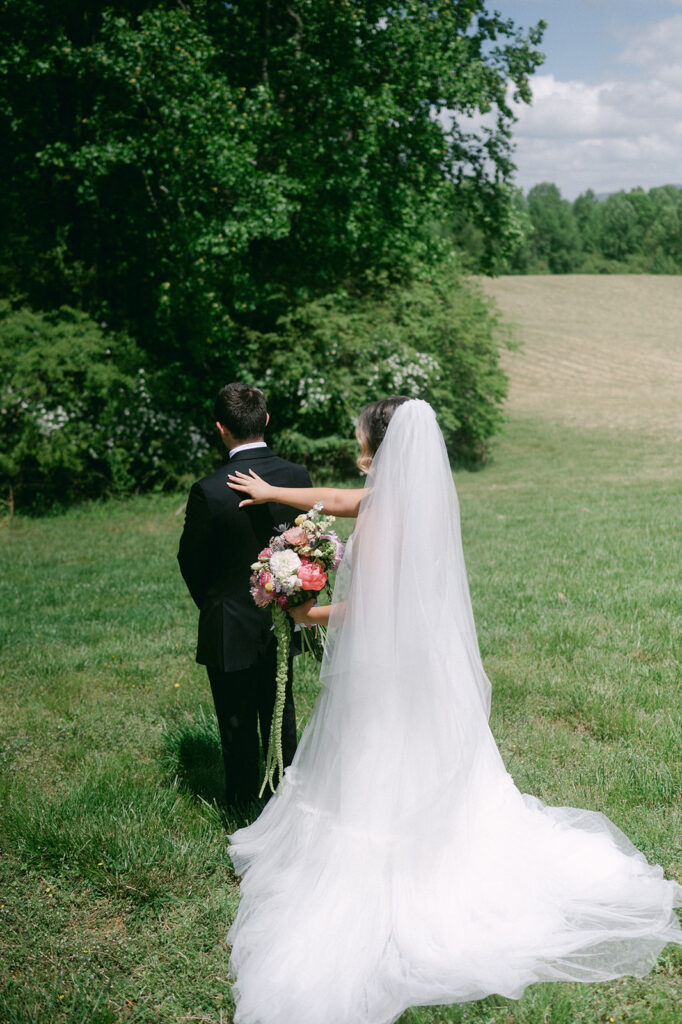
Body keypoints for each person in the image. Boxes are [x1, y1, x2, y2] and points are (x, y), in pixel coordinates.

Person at [225, 398, 681, 1024]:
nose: (355, 441)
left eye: (361, 434)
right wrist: (276, 490)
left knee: (378, 765)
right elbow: (342, 500)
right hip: (423, 669)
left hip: (386, 671)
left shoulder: (387, 516)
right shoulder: (410, 500)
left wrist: (309, 615)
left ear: (380, 444)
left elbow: (374, 609)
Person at [177, 383, 311, 808]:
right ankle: (286, 798)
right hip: (284, 616)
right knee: (280, 709)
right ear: (266, 420)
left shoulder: (210, 489)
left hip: (228, 620)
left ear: (221, 429)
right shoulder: (297, 478)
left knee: (235, 721)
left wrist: (217, 604)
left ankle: (240, 807)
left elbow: (191, 561)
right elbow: (311, 547)